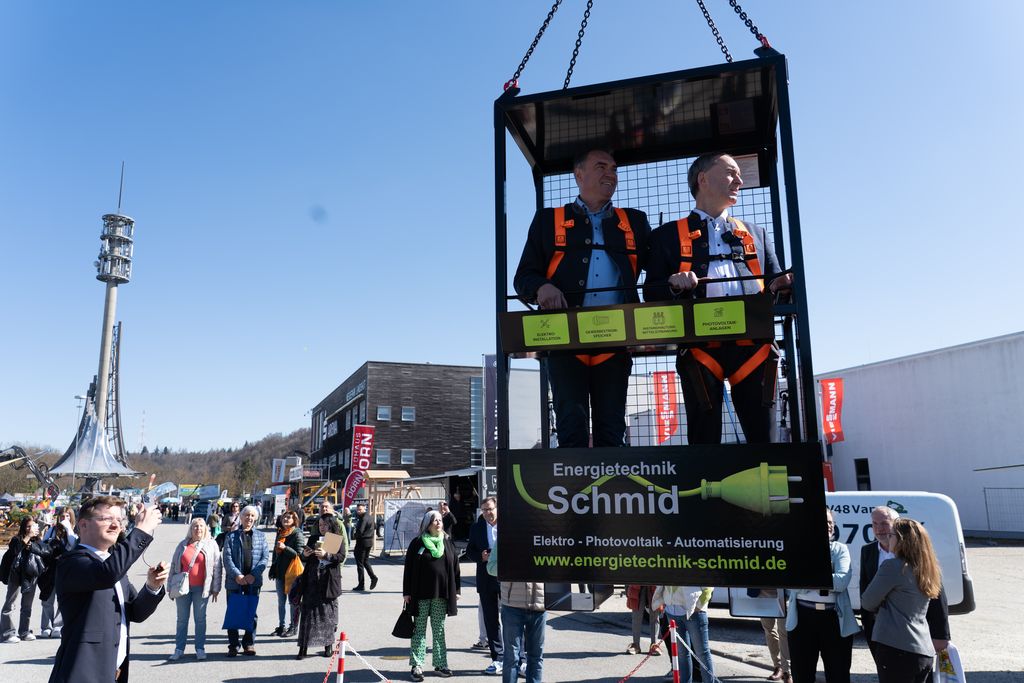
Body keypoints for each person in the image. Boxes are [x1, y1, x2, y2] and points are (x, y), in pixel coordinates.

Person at [643, 152, 793, 444]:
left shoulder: (756, 234)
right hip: (700, 348)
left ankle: (766, 490)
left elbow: (777, 284)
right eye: (730, 172)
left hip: (754, 348)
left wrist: (784, 283)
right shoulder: (666, 236)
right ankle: (707, 488)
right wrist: (674, 285)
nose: (739, 180)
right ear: (703, 179)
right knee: (704, 441)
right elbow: (651, 292)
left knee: (766, 439)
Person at [514, 147, 652, 448]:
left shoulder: (636, 223)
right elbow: (523, 277)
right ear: (579, 175)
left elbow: (659, 272)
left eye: (614, 168)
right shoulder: (548, 220)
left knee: (612, 427)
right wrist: (542, 288)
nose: (610, 174)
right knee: (571, 426)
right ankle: (574, 493)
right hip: (565, 343)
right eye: (601, 166)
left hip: (615, 341)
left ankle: (614, 494)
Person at [48, 495, 167, 683]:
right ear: (83, 525)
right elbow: (107, 574)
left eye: (119, 520)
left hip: (114, 671)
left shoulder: (112, 565)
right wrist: (141, 530)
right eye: (107, 519)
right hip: (83, 673)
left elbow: (135, 612)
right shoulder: (72, 561)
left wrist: (152, 587)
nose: (115, 525)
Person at [859, 506, 949, 663]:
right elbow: (865, 591)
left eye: (884, 524)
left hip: (915, 635)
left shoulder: (919, 558)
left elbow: (936, 596)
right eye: (874, 524)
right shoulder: (868, 551)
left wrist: (941, 635)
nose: (879, 529)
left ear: (896, 525)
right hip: (881, 633)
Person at [785, 508, 859, 683]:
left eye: (830, 522)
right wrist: (824, 578)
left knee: (838, 674)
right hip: (802, 620)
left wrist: (809, 578)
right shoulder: (798, 550)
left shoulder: (840, 549)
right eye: (823, 522)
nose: (828, 526)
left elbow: (841, 582)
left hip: (834, 619)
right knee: (802, 674)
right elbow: (792, 584)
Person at [403, 510, 460, 682]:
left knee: (439, 630)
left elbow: (456, 568)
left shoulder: (448, 542)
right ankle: (417, 665)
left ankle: (440, 664)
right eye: (434, 520)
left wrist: (456, 591)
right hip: (420, 594)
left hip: (441, 594)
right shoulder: (418, 542)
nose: (438, 523)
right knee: (419, 630)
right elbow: (409, 568)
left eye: (440, 520)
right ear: (427, 524)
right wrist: (406, 592)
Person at [487, 544, 546, 683]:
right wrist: (513, 564)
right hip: (512, 605)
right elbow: (491, 567)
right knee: (511, 657)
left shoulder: (545, 536)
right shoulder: (506, 537)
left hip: (540, 604)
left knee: (536, 656)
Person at [167, 517, 221, 660]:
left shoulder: (211, 544)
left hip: (202, 589)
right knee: (182, 620)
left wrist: (216, 588)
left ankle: (200, 648)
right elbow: (173, 566)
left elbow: (217, 567)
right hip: (182, 588)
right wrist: (169, 587)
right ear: (191, 529)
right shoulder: (183, 545)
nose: (198, 529)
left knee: (200, 619)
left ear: (205, 528)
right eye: (195, 526)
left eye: (201, 526)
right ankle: (179, 649)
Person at [296, 514, 348, 659]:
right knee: (307, 616)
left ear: (331, 525)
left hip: (328, 581)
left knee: (326, 615)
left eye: (325, 525)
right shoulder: (313, 538)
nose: (322, 527)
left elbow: (341, 557)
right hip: (311, 581)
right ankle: (303, 648)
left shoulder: (335, 539)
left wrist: (327, 555)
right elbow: (304, 557)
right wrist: (305, 555)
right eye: (320, 525)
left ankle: (328, 646)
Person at [222, 504, 270, 656]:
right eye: (246, 515)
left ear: (255, 518)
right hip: (234, 580)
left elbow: (265, 558)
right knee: (234, 612)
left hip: (253, 581)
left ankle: (249, 643)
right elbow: (227, 558)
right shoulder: (231, 536)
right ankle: (233, 645)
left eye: (252, 516)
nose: (249, 518)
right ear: (241, 517)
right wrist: (237, 575)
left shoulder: (261, 536)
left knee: (251, 612)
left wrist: (253, 575)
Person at [466, 496, 502, 675]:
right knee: (490, 620)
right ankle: (498, 659)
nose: (487, 513)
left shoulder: (509, 526)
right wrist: (481, 556)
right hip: (486, 578)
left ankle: (520, 658)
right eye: (484, 510)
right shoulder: (477, 528)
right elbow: (469, 551)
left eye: (490, 509)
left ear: (497, 508)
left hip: (507, 579)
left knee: (513, 620)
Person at [653, 585, 714, 683]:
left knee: (702, 653)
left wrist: (698, 605)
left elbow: (708, 587)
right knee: (682, 654)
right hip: (672, 612)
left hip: (694, 612)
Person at [1, 516, 45, 642]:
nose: (30, 529)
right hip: (15, 575)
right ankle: (7, 633)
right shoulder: (16, 539)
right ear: (23, 527)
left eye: (32, 526)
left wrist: (39, 535)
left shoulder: (36, 541)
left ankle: (24, 631)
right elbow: (15, 551)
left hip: (30, 576)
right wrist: (27, 537)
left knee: (27, 606)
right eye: (27, 526)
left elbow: (43, 552)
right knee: (9, 604)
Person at [38, 508, 77, 638]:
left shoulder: (74, 531)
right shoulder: (53, 530)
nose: (64, 518)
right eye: (62, 516)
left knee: (63, 599)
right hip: (51, 569)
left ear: (71, 517)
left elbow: (73, 546)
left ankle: (58, 626)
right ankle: (46, 627)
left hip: (67, 569)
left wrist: (68, 529)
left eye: (67, 516)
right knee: (48, 599)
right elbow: (43, 546)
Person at [269, 510, 305, 637]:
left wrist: (285, 548)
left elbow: (299, 554)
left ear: (294, 520)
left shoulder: (297, 534)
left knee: (293, 602)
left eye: (289, 517)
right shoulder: (280, 533)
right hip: (280, 573)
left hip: (292, 574)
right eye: (284, 517)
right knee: (281, 602)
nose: (286, 519)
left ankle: (293, 627)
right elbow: (275, 554)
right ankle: (281, 626)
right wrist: (273, 568)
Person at [625, 584, 661, 656]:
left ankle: (654, 644)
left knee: (655, 617)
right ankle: (636, 645)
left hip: (654, 584)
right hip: (637, 583)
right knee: (636, 617)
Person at [352, 503, 378, 591]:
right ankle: (373, 577)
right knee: (365, 561)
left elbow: (360, 531)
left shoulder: (363, 518)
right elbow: (375, 526)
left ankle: (361, 584)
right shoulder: (370, 517)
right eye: (358, 509)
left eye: (360, 510)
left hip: (362, 542)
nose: (358, 511)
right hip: (369, 542)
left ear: (364, 509)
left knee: (360, 564)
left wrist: (355, 535)